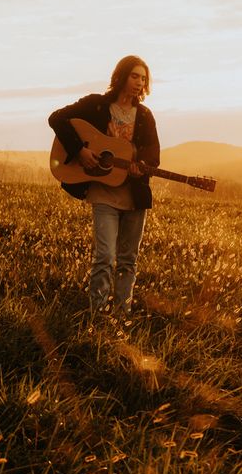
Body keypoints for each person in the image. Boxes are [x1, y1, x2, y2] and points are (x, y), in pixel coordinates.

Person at [48, 56, 160, 317]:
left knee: (128, 260)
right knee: (104, 257)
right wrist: (80, 151)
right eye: (134, 76)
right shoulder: (96, 105)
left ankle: (122, 315)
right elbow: (56, 119)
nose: (139, 82)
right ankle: (97, 314)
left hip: (134, 197)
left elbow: (153, 154)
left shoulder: (144, 115)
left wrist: (139, 164)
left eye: (143, 78)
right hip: (103, 195)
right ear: (121, 76)